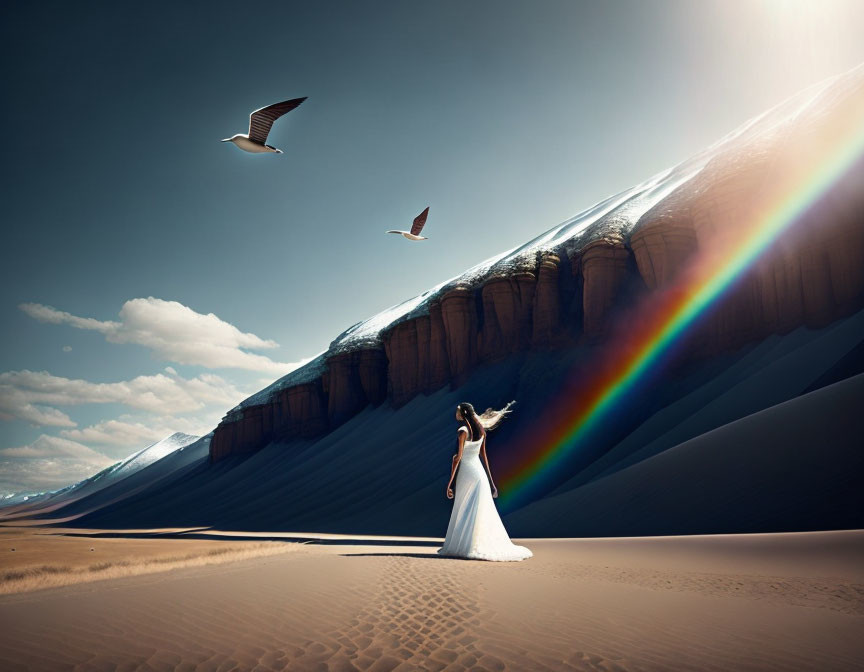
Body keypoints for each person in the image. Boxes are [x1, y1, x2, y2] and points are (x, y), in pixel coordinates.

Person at [438, 401, 532, 561]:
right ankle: (475, 544)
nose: (456, 413)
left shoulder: (462, 431)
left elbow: (458, 459)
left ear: (463, 413)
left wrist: (449, 484)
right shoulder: (481, 431)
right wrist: (491, 481)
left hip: (467, 474)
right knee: (480, 510)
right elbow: (484, 457)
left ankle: (465, 546)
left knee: (465, 507)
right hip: (479, 474)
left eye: (458, 411)